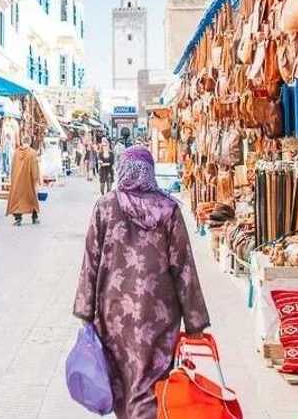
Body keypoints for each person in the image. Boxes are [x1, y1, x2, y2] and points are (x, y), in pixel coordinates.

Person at [74, 146, 210, 419]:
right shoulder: (168, 209)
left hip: (114, 315)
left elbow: (91, 260)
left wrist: (85, 311)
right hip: (159, 314)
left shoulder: (105, 206)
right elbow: (183, 267)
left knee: (122, 381)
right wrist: (195, 322)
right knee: (151, 382)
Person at [6, 136, 40, 225]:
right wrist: (36, 179)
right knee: (32, 198)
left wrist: (12, 178)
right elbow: (35, 168)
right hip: (28, 181)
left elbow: (12, 166)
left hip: (17, 180)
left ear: (22, 141)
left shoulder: (16, 153)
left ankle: (18, 219)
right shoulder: (32, 153)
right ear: (30, 142)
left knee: (18, 199)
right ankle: (34, 217)